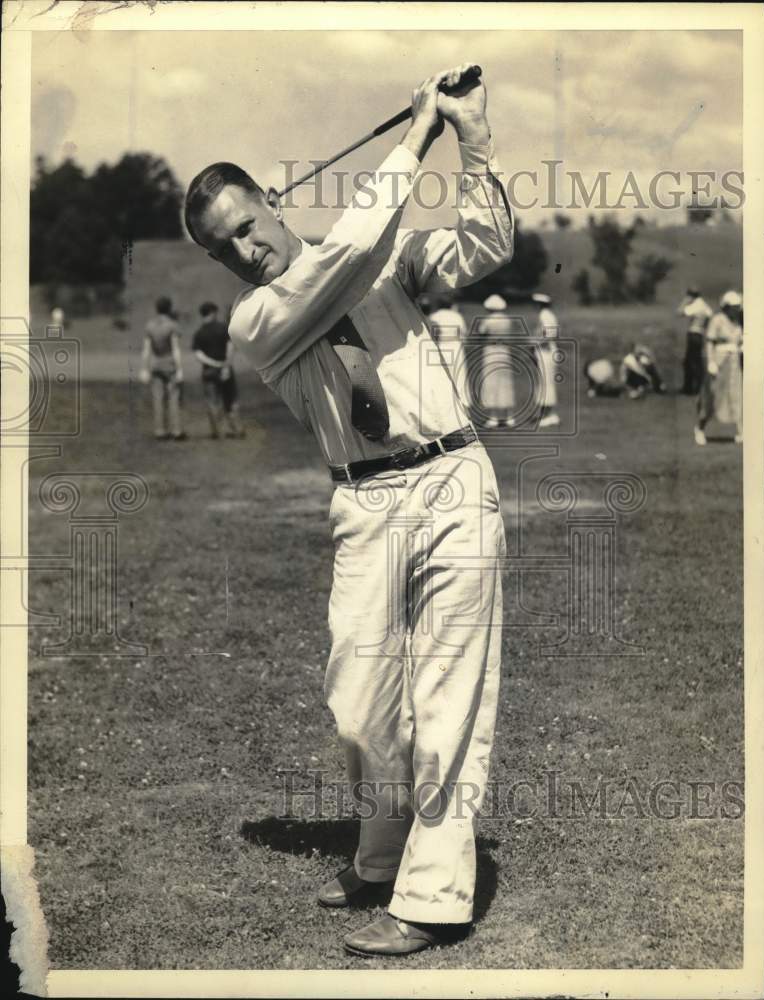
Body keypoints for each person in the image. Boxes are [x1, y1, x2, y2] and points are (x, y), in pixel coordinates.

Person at [184, 64, 512, 956]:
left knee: (448, 696)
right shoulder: (263, 319)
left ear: (274, 203)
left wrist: (469, 137)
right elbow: (351, 254)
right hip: (363, 502)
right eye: (226, 249)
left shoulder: (374, 258)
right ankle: (380, 849)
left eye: (248, 226)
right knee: (359, 704)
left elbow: (478, 249)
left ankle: (434, 897)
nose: (246, 251)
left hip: (451, 479)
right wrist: (413, 137)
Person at [694, 290, 743, 446]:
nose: (736, 309)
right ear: (726, 307)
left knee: (736, 396)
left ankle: (741, 431)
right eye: (734, 306)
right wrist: (711, 362)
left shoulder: (738, 322)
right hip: (719, 363)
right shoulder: (718, 320)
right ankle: (700, 429)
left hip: (734, 364)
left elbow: (740, 340)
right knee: (713, 397)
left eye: (738, 306)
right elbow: (710, 342)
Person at [192, 301, 245, 439]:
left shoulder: (199, 333)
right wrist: (225, 365)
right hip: (225, 368)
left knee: (212, 402)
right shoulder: (223, 328)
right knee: (231, 400)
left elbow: (199, 355)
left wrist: (213, 363)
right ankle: (236, 429)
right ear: (213, 313)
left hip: (209, 371)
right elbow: (230, 347)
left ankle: (216, 432)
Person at [140, 296, 186, 441]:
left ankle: (160, 430)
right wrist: (179, 369)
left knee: (158, 399)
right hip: (170, 365)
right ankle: (176, 430)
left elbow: (146, 350)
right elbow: (175, 349)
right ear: (169, 308)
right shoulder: (172, 325)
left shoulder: (150, 325)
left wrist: (144, 368)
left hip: (156, 365)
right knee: (173, 398)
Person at [476, 294, 516, 428]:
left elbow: (481, 333)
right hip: (504, 350)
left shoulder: (487, 320)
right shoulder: (507, 320)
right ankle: (509, 416)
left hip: (491, 350)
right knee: (505, 382)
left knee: (490, 382)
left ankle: (492, 417)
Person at [677, 286, 712, 395]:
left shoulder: (695, 305)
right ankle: (696, 387)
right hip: (700, 334)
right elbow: (710, 315)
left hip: (693, 333)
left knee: (691, 362)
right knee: (695, 361)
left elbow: (680, 312)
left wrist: (685, 302)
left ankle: (691, 389)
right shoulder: (704, 305)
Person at [532, 292, 560, 427]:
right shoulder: (549, 315)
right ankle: (545, 413)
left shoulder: (544, 316)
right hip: (547, 350)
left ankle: (550, 414)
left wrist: (535, 343)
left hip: (546, 351)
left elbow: (549, 336)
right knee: (544, 382)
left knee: (546, 382)